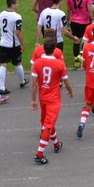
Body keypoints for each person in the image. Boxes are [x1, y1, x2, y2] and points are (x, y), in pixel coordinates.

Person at [30, 37, 73, 165]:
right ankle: (39, 154)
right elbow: (66, 82)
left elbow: (34, 85)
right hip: (54, 99)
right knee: (48, 125)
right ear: (54, 49)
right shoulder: (59, 64)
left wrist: (33, 100)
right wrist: (70, 91)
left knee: (48, 122)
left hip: (42, 97)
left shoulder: (37, 63)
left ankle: (56, 144)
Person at [0, 0, 28, 95]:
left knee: (3, 64)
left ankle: (2, 87)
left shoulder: (1, 14)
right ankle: (22, 81)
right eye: (17, 3)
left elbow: (0, 26)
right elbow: (18, 32)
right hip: (13, 44)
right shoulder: (17, 17)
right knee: (17, 63)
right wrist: (23, 44)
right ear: (12, 4)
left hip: (3, 43)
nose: (18, 4)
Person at [66, 0, 93, 67]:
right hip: (85, 21)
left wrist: (67, 21)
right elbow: (89, 10)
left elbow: (68, 10)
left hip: (74, 21)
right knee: (85, 40)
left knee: (76, 40)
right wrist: (93, 19)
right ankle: (81, 56)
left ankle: (76, 60)